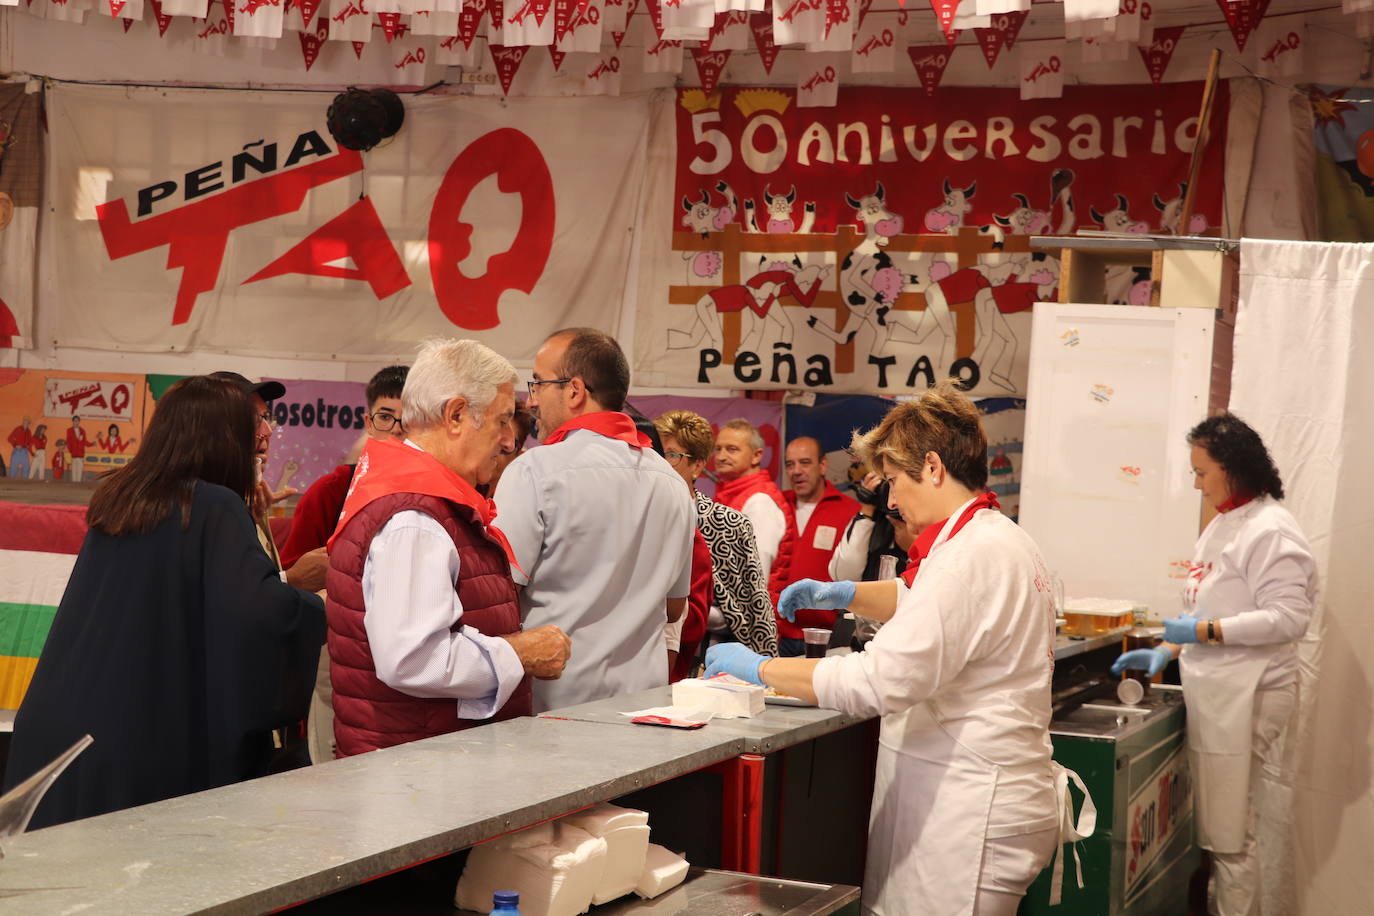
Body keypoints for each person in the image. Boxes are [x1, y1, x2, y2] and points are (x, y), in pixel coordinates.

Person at [705, 381, 1061, 916]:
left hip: (967, 810)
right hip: (981, 793)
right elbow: (927, 601)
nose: (890, 500)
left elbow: (878, 681)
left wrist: (761, 668)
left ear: (934, 468)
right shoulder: (997, 537)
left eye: (894, 481)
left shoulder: (970, 557)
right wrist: (847, 593)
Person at [2, 376, 326, 829]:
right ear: (218, 432)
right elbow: (261, 616)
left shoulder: (124, 495)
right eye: (254, 421)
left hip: (59, 732)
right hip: (136, 742)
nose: (266, 433)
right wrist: (316, 601)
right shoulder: (211, 505)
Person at [1112, 412, 1316, 916]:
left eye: (1202, 472)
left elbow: (1289, 618)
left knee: (1232, 836)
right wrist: (1168, 649)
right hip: (1220, 693)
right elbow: (1207, 608)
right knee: (1223, 834)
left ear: (1234, 468)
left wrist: (1202, 633)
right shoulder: (1224, 525)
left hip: (1250, 696)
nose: (1197, 483)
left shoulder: (1272, 530)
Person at [326, 339, 570, 757]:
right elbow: (413, 660)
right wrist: (519, 653)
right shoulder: (414, 519)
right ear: (456, 415)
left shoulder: (424, 503)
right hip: (419, 775)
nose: (509, 441)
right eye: (501, 421)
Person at [495, 328, 695, 711]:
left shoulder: (536, 470)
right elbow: (674, 607)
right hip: (643, 704)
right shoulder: (671, 481)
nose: (531, 400)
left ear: (574, 390)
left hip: (554, 705)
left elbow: (500, 595)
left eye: (537, 384)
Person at [655, 410, 778, 678]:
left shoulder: (727, 524)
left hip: (714, 668)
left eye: (672, 455)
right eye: (656, 453)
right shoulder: (641, 519)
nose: (661, 463)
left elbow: (751, 613)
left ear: (698, 466)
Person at [280, 365, 409, 570]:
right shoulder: (330, 491)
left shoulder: (442, 492)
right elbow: (294, 575)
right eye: (385, 417)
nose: (396, 428)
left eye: (409, 417)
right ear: (369, 423)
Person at [713, 419, 801, 653]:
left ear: (756, 455)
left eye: (732, 449)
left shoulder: (759, 502)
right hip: (737, 629)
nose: (721, 456)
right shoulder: (734, 496)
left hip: (749, 636)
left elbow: (753, 584)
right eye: (718, 448)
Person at [828, 468, 916, 645]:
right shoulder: (871, 521)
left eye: (894, 484)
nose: (892, 502)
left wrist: (913, 546)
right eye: (886, 486)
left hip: (902, 633)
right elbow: (843, 575)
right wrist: (867, 509)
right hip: (860, 631)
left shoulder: (928, 523)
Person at [782, 436, 860, 632]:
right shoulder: (775, 505)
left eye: (805, 463)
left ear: (823, 465)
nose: (797, 471)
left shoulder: (850, 510)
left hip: (826, 634)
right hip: (778, 631)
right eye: (790, 465)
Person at [64, 415, 93, 482]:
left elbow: (85, 441)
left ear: (79, 422)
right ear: (73, 421)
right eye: (75, 421)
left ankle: (78, 484)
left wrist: (91, 444)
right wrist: (71, 451)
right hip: (74, 454)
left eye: (77, 421)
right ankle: (74, 485)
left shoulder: (82, 431)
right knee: (74, 470)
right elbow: (68, 442)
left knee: (79, 470)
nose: (76, 422)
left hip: (81, 454)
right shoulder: (69, 430)